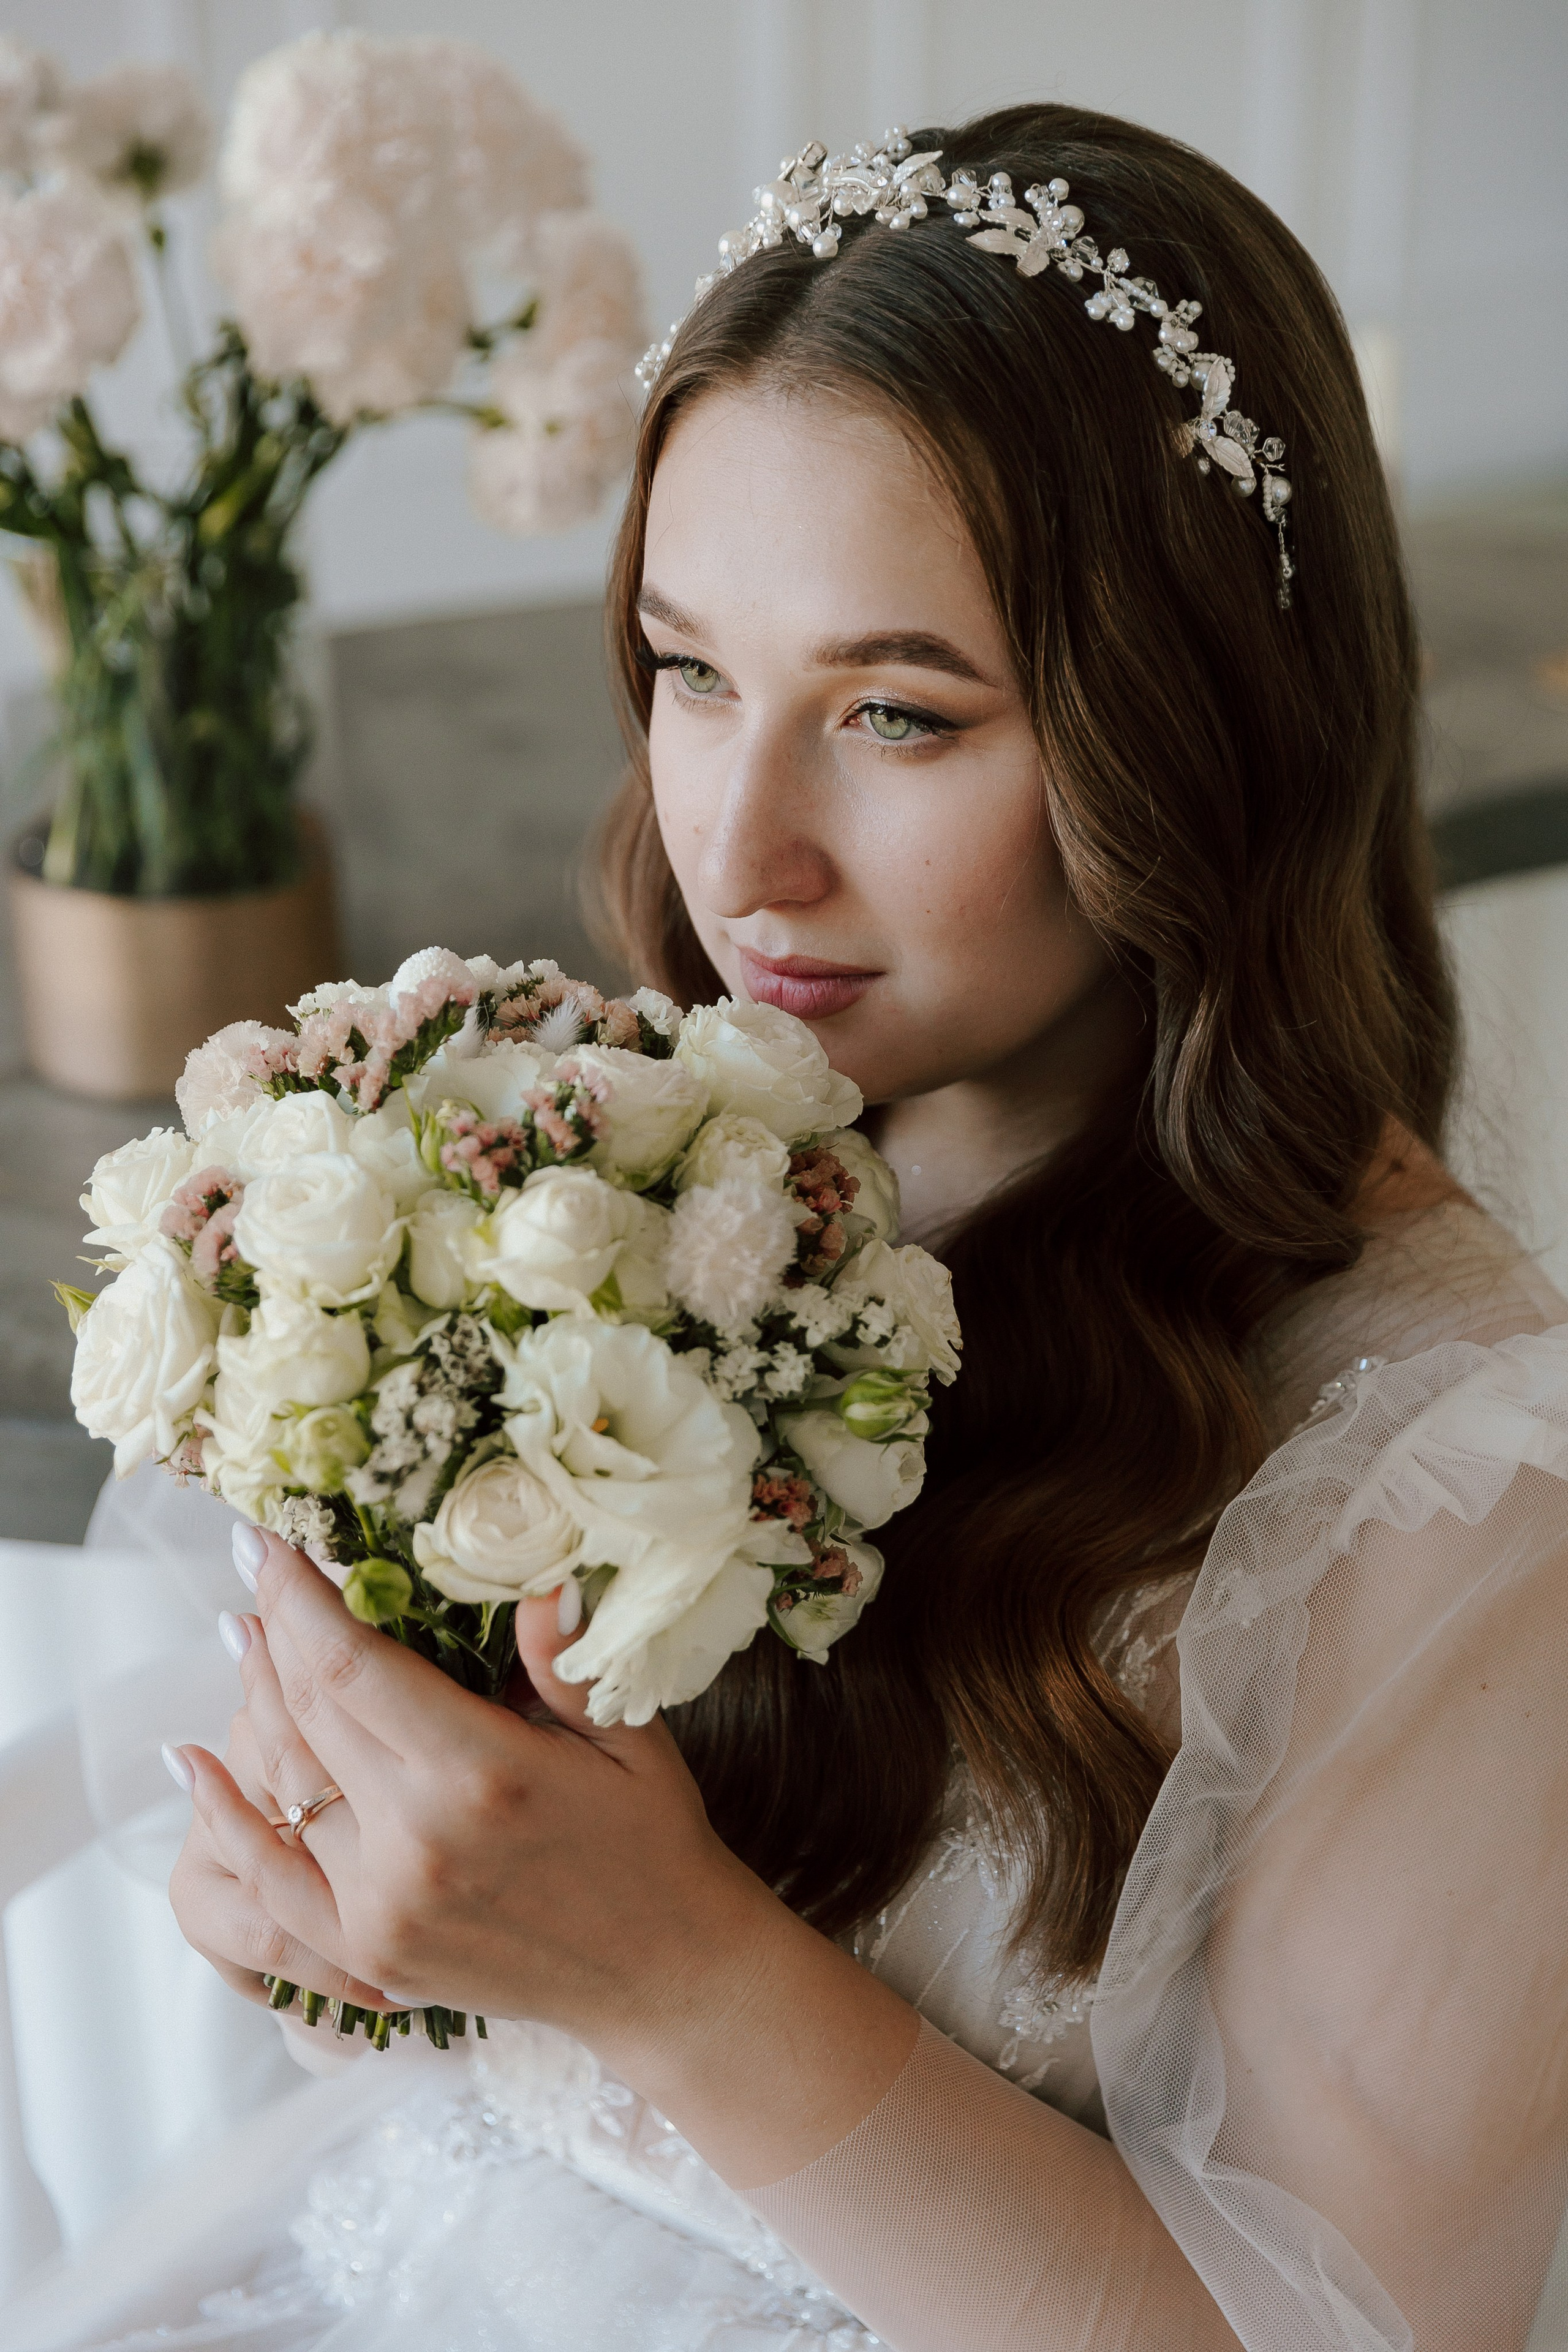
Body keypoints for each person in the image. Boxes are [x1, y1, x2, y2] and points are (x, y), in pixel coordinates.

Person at [9, 99, 1568, 2352]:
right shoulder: (631, 1185)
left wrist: (668, 1977)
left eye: (900, 716)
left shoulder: (1455, 1499)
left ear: (1198, 735)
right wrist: (370, 1926)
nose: (741, 854)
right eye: (689, 669)